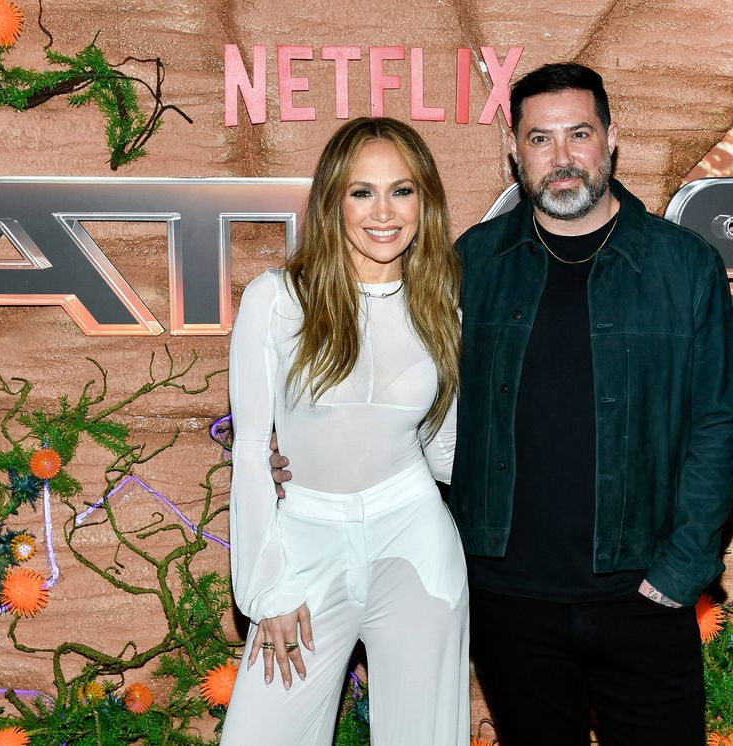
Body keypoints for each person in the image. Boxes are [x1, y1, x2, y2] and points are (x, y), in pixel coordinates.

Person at [273, 63, 733, 745]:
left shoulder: (683, 265)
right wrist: (299, 449)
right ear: (513, 148)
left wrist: (680, 572)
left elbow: (720, 427)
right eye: (540, 139)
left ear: (612, 136)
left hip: (643, 596)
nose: (562, 158)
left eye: (579, 134)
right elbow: (394, 390)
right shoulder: (471, 263)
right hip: (508, 602)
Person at [224, 117, 469, 746]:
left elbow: (444, 449)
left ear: (425, 201)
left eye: (402, 190)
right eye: (362, 192)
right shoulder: (277, 299)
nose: (383, 212)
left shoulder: (442, 308)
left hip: (415, 545)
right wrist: (267, 587)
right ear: (333, 201)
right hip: (303, 549)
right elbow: (250, 448)